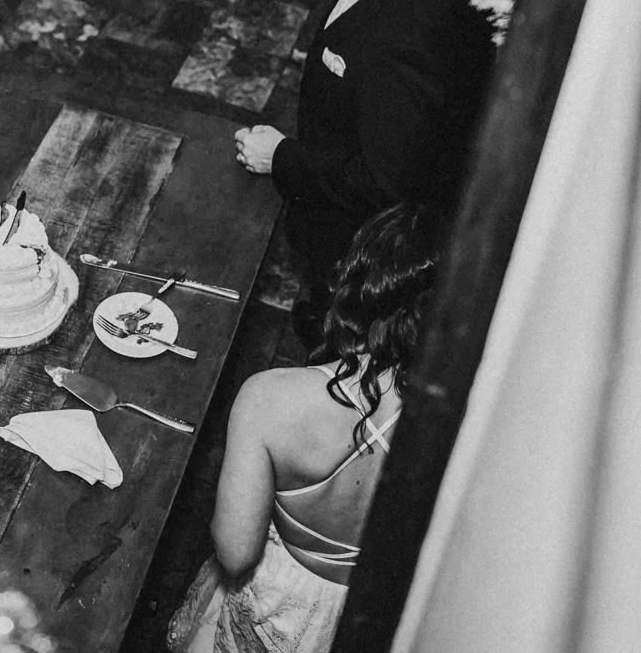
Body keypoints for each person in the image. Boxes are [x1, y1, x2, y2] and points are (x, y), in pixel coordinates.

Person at [232, 0, 492, 324]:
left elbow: (385, 178)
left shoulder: (405, 42)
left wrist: (281, 157)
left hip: (355, 242)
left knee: (333, 319)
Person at [166, 204, 440, 653]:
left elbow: (236, 553)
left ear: (362, 285)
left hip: (283, 611)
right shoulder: (467, 432)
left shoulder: (269, 399)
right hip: (381, 619)